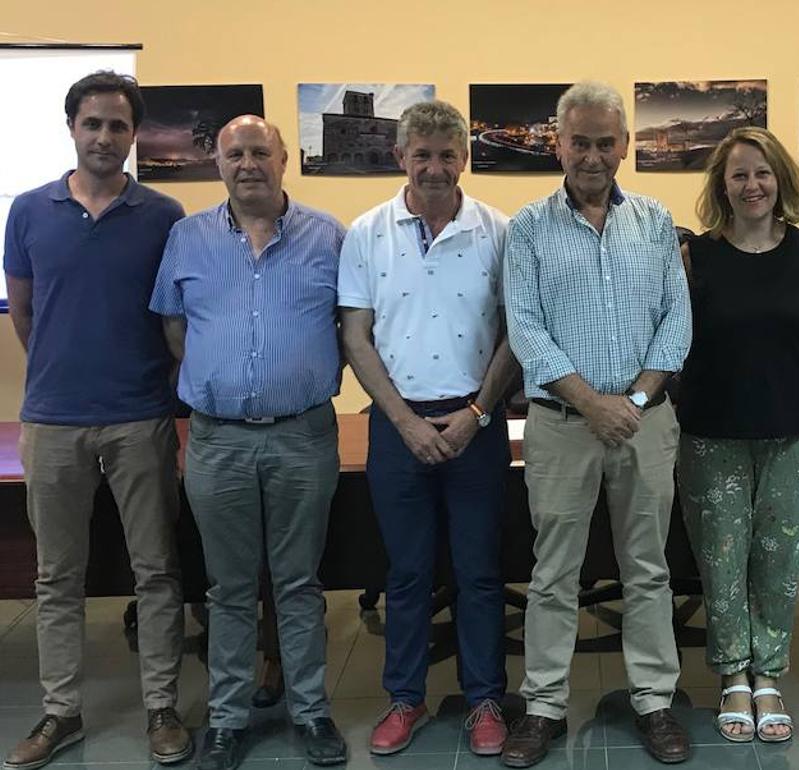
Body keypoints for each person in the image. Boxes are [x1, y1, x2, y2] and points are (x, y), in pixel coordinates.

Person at [2, 70, 191, 770]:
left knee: (157, 571)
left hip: (141, 419)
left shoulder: (164, 215)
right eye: (93, 124)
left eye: (118, 125)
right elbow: (25, 312)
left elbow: (173, 320)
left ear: (133, 133)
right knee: (57, 576)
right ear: (73, 128)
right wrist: (63, 373)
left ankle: (162, 707)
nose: (105, 136)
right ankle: (60, 713)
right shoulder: (27, 210)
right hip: (51, 421)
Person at [501, 80, 692, 768]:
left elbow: (677, 322)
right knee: (553, 573)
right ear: (559, 143)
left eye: (604, 141)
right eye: (579, 141)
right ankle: (544, 707)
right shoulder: (527, 228)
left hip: (644, 424)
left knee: (647, 570)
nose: (591, 154)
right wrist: (592, 403)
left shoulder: (654, 221)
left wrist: (632, 403)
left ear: (624, 146)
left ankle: (653, 700)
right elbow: (526, 330)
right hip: (561, 426)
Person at [149, 115, 347, 770]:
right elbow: (176, 333)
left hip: (303, 438)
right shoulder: (187, 238)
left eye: (260, 151)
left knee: (298, 583)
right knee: (228, 587)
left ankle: (311, 711)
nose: (247, 164)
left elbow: (351, 329)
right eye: (235, 154)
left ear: (283, 158)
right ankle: (229, 718)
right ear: (218, 164)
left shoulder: (329, 238)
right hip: (218, 441)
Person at [338, 99, 516, 757]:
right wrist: (406, 422)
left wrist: (474, 416)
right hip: (397, 424)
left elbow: (514, 335)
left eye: (447, 155)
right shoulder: (366, 233)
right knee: (405, 574)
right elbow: (356, 338)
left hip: (477, 419)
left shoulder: (499, 230)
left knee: (479, 572)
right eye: (423, 155)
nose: (435, 168)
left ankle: (485, 700)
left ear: (463, 158)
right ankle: (404, 699)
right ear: (400, 158)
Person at [675, 127, 799, 743]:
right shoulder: (697, 256)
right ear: (722, 186)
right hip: (712, 430)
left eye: (762, 173)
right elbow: (678, 340)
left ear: (781, 179)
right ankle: (733, 673)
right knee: (721, 559)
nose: (752, 185)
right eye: (738, 174)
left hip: (793, 430)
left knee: (779, 561)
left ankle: (769, 674)